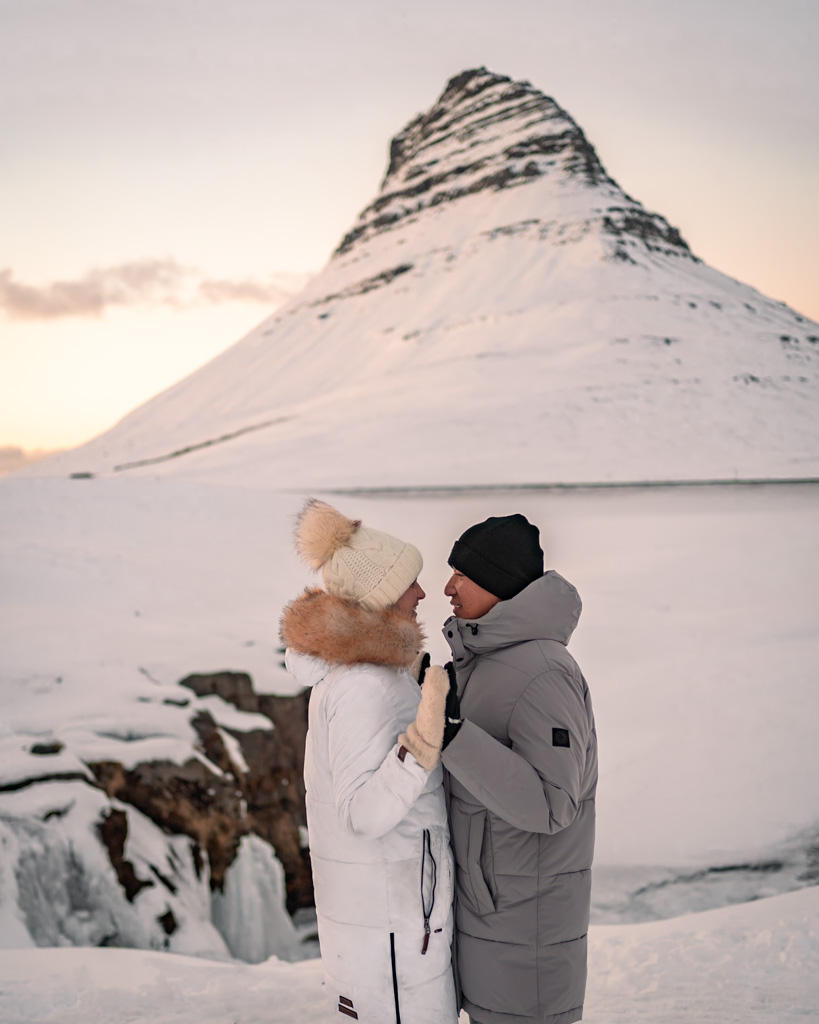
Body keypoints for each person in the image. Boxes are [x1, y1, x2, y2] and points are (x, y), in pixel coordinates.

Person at [280, 498, 458, 1024]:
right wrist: (423, 742)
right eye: (411, 583)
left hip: (390, 923)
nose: (423, 593)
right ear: (381, 594)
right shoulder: (364, 685)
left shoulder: (368, 674)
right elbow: (363, 813)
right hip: (393, 940)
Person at [439, 513, 598, 1024]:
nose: (448, 587)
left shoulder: (545, 672)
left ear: (500, 582)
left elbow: (553, 805)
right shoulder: (486, 661)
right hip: (492, 921)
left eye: (463, 575)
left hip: (526, 939)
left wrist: (453, 737)